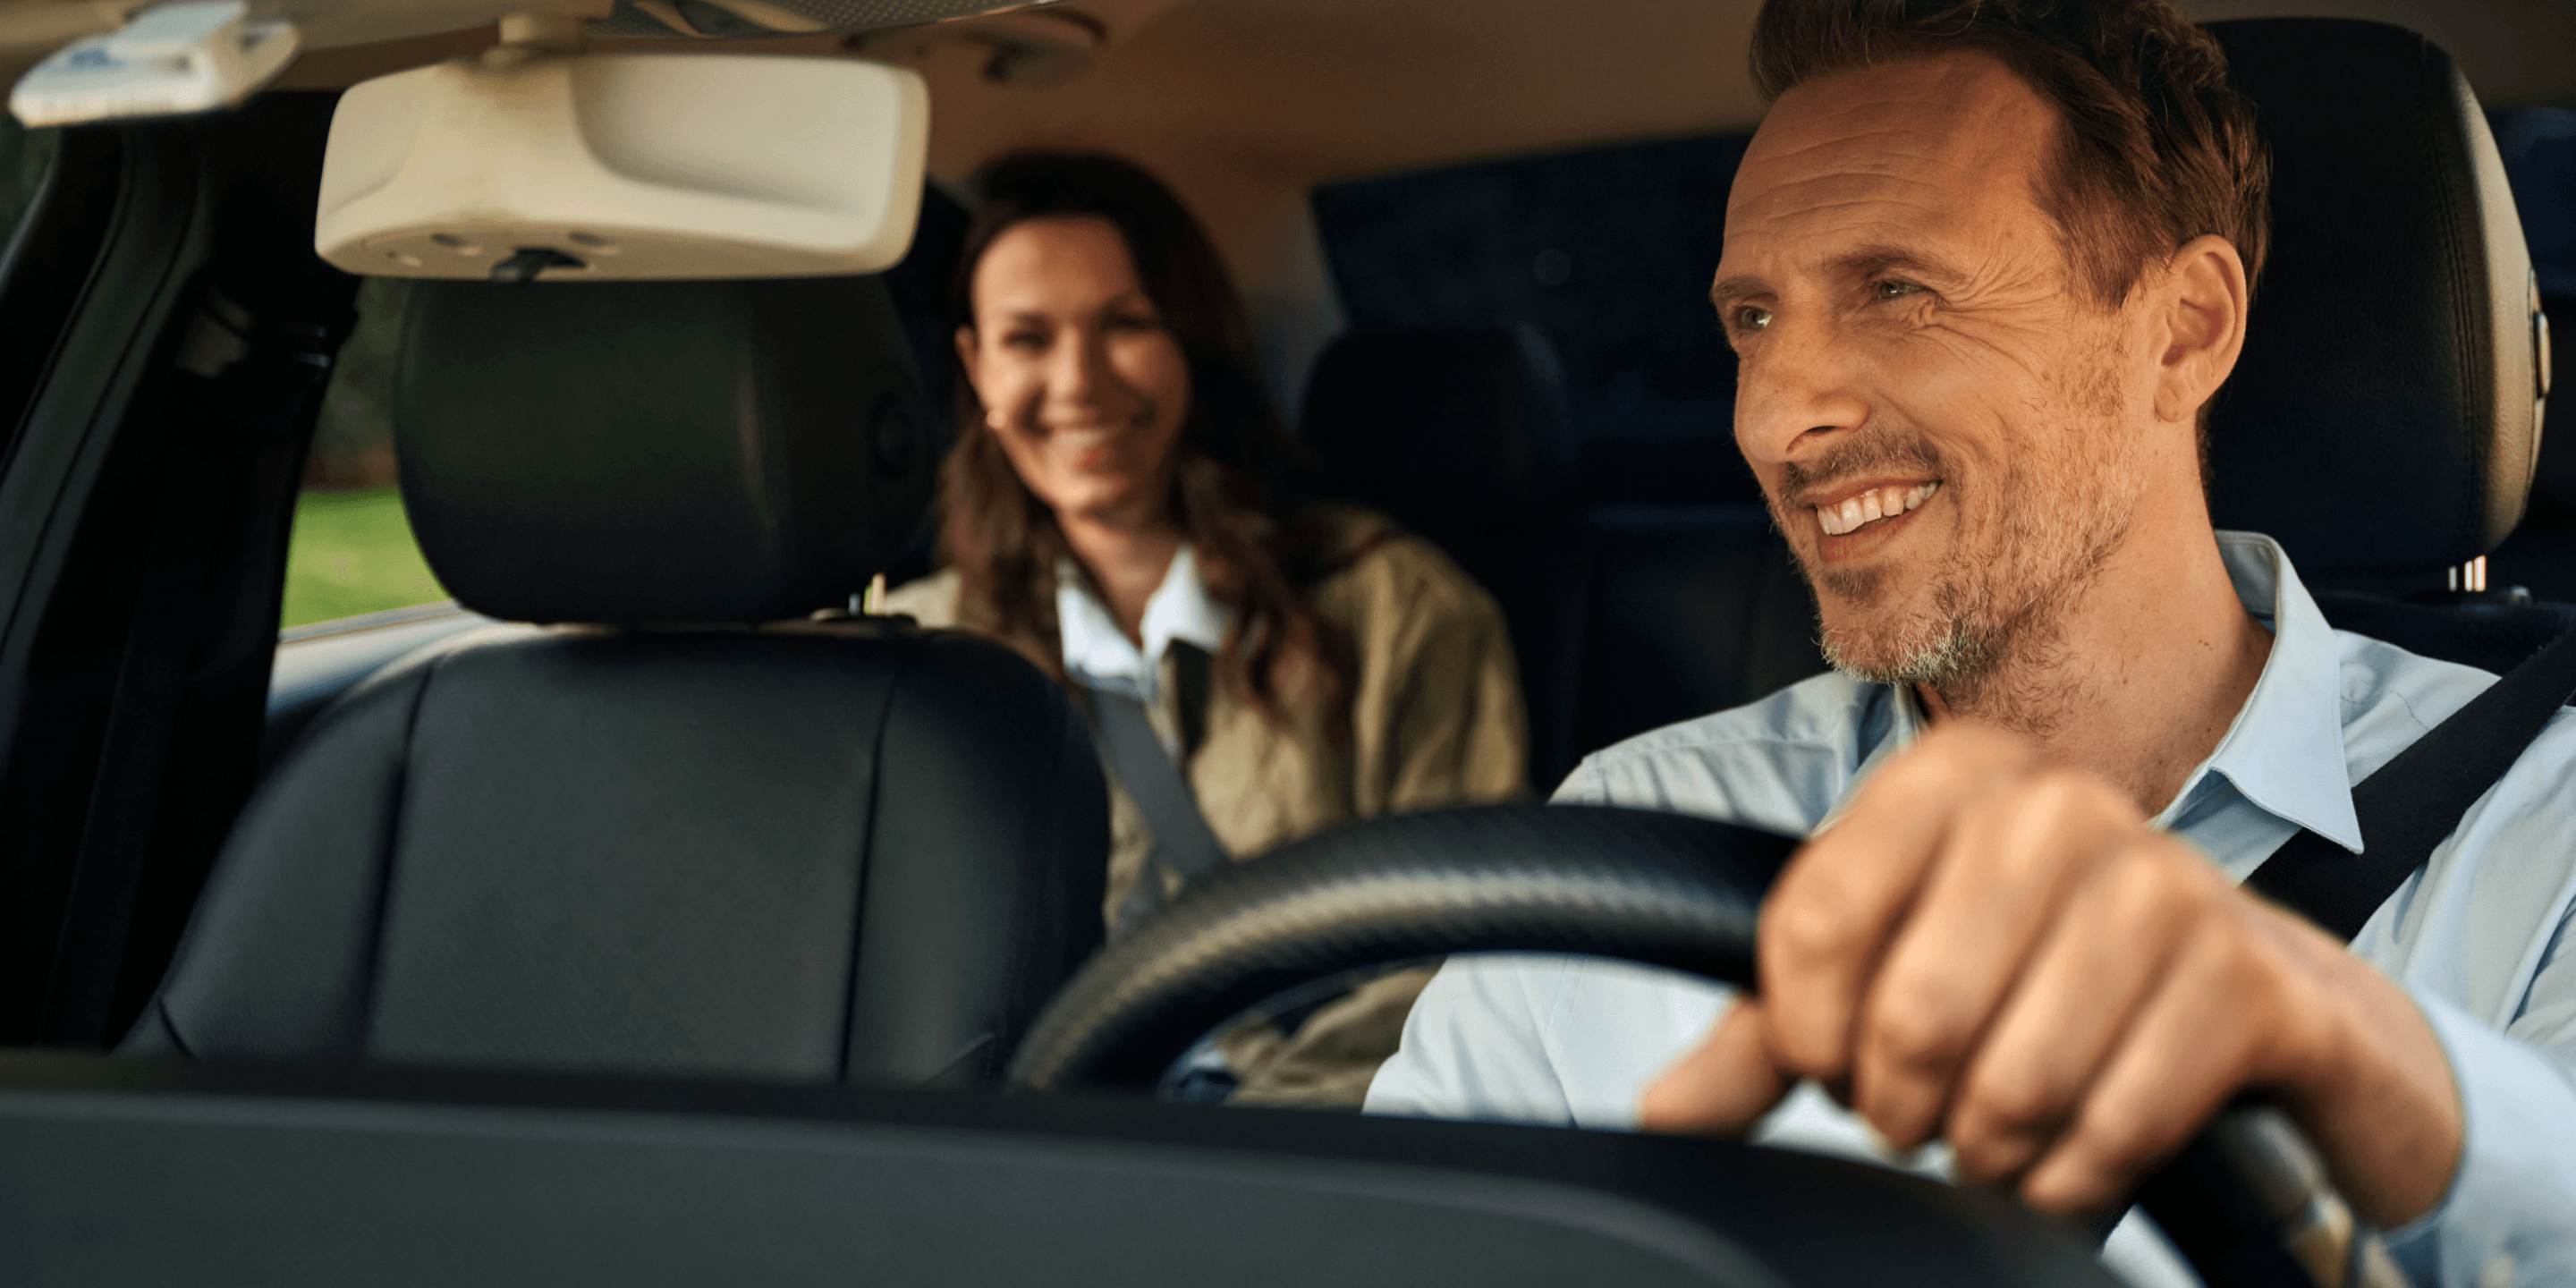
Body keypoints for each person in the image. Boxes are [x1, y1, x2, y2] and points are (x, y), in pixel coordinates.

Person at [1366, 1, 2574, 1283]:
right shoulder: (1624, 838)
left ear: (2185, 329)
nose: (1782, 417)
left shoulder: (2540, 831)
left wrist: (2354, 1049)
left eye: (1899, 290)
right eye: (1752, 321)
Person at [880, 151, 1529, 1106]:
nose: (1078, 383)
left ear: (1193, 337)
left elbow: (1461, 956)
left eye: (1125, 325)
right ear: (976, 367)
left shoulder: (1394, 606)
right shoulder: (916, 659)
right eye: (1027, 339)